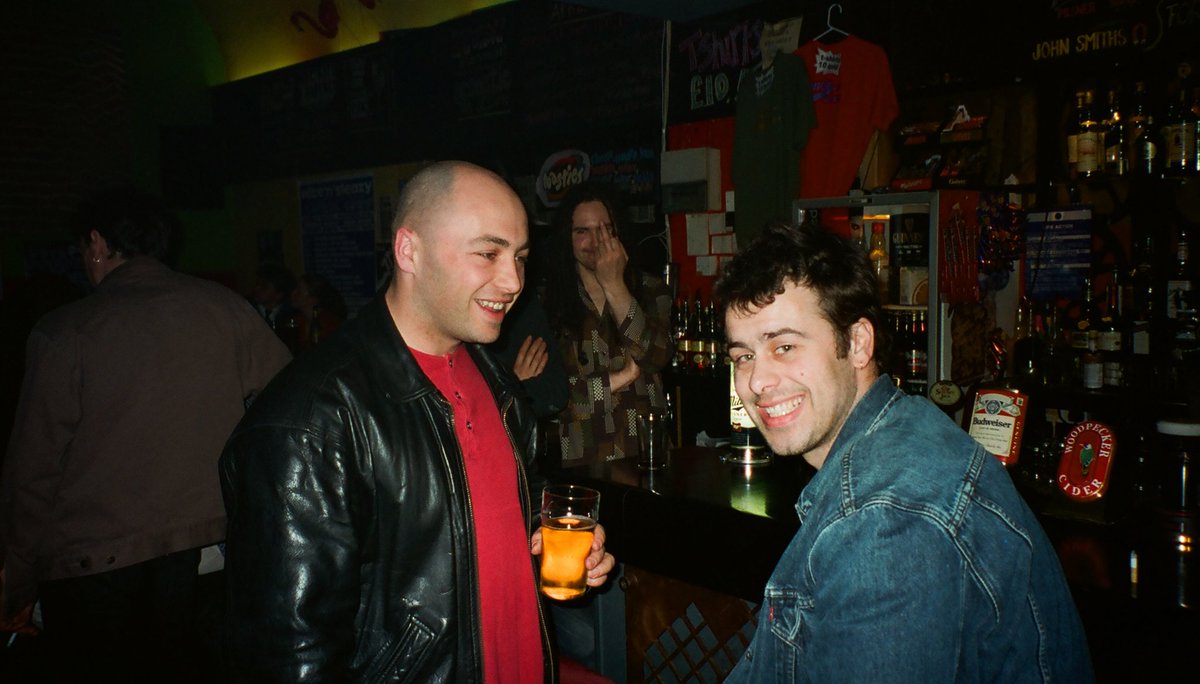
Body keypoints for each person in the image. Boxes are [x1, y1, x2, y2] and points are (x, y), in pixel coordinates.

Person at [219, 161, 615, 682]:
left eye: (520, 257)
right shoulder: (310, 421)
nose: (514, 280)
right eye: (488, 253)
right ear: (409, 251)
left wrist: (546, 539)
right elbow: (292, 655)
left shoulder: (495, 381)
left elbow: (494, 513)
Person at [716, 222, 1093, 682]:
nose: (756, 381)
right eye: (743, 356)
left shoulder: (886, 520)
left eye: (785, 346)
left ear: (857, 343)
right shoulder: (900, 429)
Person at [0, 188, 292, 682]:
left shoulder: (66, 330)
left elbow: (33, 470)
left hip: (92, 569)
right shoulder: (225, 309)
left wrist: (17, 582)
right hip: (206, 558)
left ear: (96, 242)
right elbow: (290, 403)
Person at [541, 183, 672, 465]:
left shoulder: (652, 290)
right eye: (583, 231)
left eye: (605, 229)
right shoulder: (546, 303)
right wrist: (620, 378)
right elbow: (550, 399)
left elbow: (656, 357)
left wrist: (614, 285)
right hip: (579, 460)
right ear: (568, 238)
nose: (596, 240)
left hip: (645, 454)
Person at [287, 272, 347, 352]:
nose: (293, 293)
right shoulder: (295, 321)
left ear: (313, 298)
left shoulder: (330, 323)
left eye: (299, 291)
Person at [249, 260, 297, 331]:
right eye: (257, 284)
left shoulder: (292, 316)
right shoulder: (247, 310)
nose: (257, 288)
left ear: (279, 294)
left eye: (264, 287)